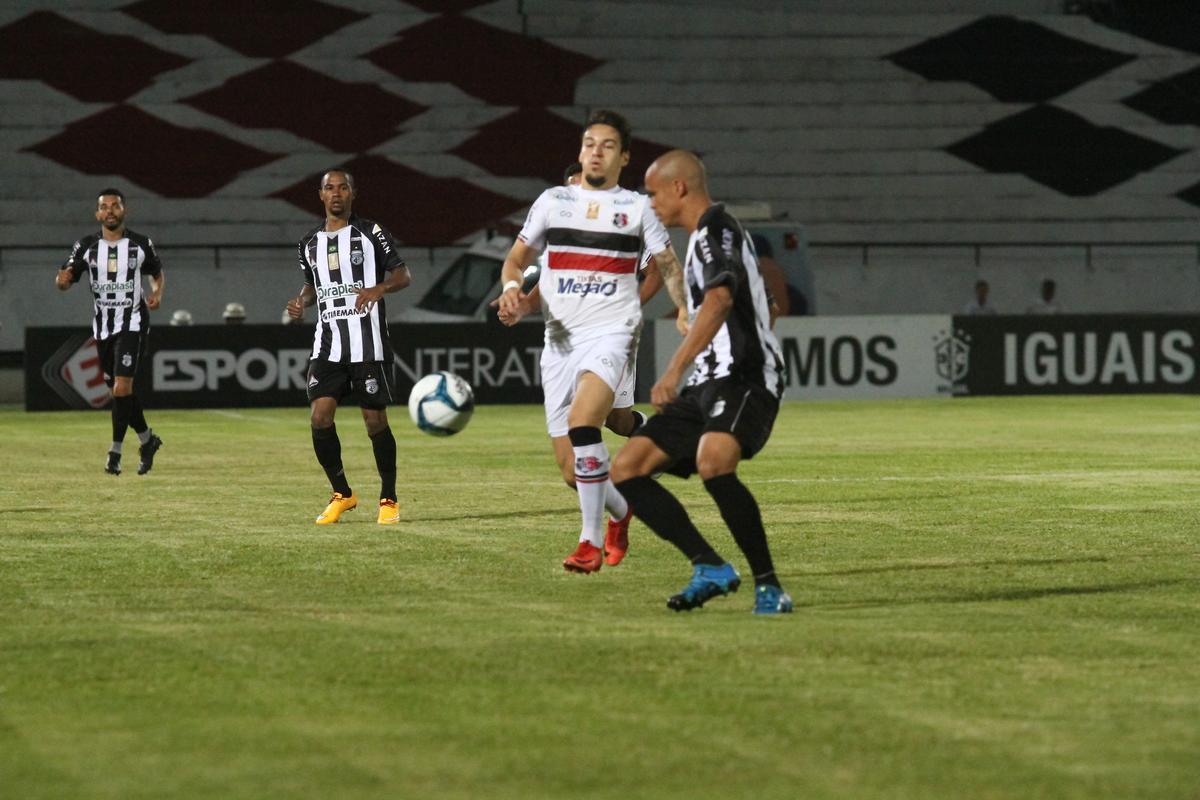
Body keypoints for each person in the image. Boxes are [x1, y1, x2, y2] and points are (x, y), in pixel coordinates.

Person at [497, 110, 688, 574]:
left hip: (612, 334)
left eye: (606, 145)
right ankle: (622, 512)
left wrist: (683, 307)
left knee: (588, 422)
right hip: (560, 340)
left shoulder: (637, 209)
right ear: (580, 153)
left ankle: (590, 541)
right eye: (588, 144)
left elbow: (666, 264)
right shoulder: (552, 202)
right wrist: (512, 295)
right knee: (571, 471)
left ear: (624, 157)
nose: (595, 152)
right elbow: (517, 259)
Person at [611, 150, 792, 615]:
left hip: (744, 377)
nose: (650, 204)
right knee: (627, 469)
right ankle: (709, 565)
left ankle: (769, 586)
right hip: (711, 382)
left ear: (679, 188)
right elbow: (764, 304)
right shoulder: (706, 239)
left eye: (653, 193)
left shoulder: (715, 228)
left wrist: (674, 368)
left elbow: (720, 297)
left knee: (714, 461)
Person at [285, 169, 412, 525]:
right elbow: (311, 287)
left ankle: (388, 498)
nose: (336, 193)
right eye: (330, 188)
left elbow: (403, 275)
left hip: (367, 344)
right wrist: (301, 302)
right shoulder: (308, 243)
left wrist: (378, 289)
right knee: (319, 416)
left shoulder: (371, 233)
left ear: (353, 193)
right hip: (327, 346)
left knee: (374, 422)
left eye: (343, 187)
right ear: (320, 195)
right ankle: (343, 493)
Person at [55, 188, 165, 476]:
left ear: (124, 211)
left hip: (132, 323)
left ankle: (114, 453)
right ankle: (147, 440)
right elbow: (65, 280)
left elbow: (156, 271)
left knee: (121, 388)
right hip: (103, 328)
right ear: (97, 214)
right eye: (104, 207)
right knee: (119, 394)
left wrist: (157, 293)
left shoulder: (141, 244)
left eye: (115, 206)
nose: (110, 211)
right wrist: (62, 280)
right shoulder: (86, 247)